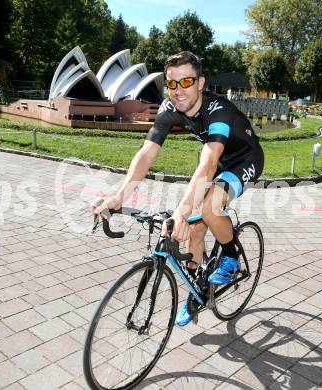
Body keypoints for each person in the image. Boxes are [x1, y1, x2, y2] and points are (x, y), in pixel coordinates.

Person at [93, 51, 264, 326]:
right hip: (218, 161)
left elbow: (207, 165)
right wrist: (118, 196)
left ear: (200, 83)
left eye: (186, 82)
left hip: (244, 159)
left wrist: (181, 213)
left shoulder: (218, 111)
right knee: (193, 231)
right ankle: (198, 292)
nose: (179, 90)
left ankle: (231, 255)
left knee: (208, 208)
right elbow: (146, 154)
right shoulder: (169, 108)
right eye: (172, 84)